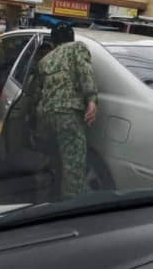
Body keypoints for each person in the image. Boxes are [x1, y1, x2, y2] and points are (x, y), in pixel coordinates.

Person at [34, 23, 98, 199]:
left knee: (52, 160)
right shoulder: (77, 48)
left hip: (46, 116)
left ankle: (44, 199)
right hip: (68, 115)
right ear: (72, 38)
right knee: (73, 167)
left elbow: (37, 93)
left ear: (53, 42)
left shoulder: (44, 61)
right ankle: (70, 207)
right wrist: (92, 99)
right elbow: (85, 72)